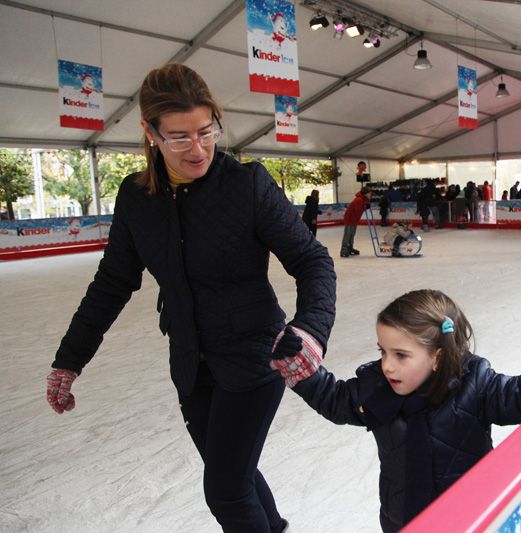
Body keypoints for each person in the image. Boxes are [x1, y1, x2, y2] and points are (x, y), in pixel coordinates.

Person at [44, 64, 336, 533]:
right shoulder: (137, 197)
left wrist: (310, 329)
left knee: (224, 488)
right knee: (235, 474)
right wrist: (69, 359)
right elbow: (112, 282)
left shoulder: (247, 185)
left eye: (206, 132)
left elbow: (312, 260)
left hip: (256, 357)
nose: (197, 148)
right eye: (179, 137)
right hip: (191, 362)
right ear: (150, 132)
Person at [268, 289, 521, 532]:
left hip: (470, 516)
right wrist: (300, 367)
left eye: (400, 355)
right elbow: (335, 399)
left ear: (438, 356)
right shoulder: (376, 388)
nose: (387, 365)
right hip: (401, 518)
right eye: (383, 351)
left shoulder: (475, 385)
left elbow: (519, 397)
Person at [341, 187, 372, 257]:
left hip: (354, 220)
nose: (370, 195)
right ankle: (344, 249)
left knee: (352, 234)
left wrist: (365, 205)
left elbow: (360, 210)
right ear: (365, 194)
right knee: (348, 235)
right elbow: (358, 210)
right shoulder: (359, 200)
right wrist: (365, 207)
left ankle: (349, 248)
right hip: (350, 219)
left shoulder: (363, 200)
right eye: (369, 193)